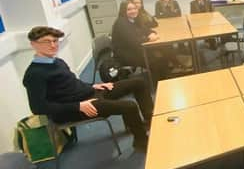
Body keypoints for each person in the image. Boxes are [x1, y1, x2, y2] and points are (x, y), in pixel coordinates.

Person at [22, 26, 153, 151]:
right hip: (72, 109)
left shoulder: (57, 62)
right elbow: (38, 107)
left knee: (139, 83)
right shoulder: (34, 74)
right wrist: (77, 106)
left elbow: (72, 83)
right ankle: (141, 141)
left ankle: (150, 119)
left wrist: (92, 86)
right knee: (129, 106)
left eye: (55, 41)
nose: (52, 45)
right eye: (46, 42)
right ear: (33, 44)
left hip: (87, 95)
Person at [112, 0, 169, 81]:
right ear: (123, 11)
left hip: (135, 49)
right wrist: (149, 39)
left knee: (163, 52)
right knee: (157, 60)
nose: (133, 11)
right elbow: (133, 41)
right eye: (129, 9)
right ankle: (158, 84)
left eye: (135, 8)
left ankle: (163, 78)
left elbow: (145, 29)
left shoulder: (133, 20)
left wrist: (151, 33)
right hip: (126, 54)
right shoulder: (121, 23)